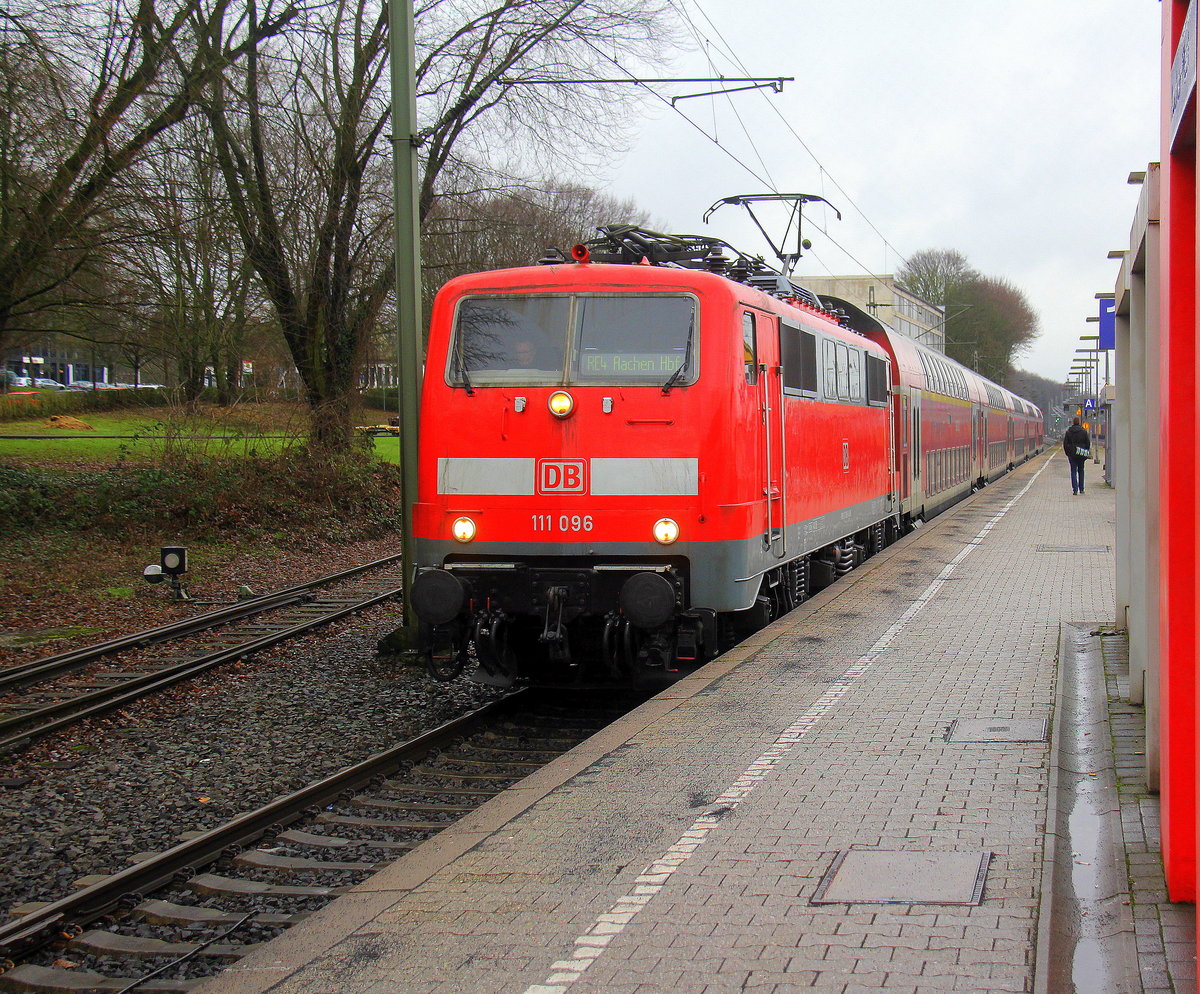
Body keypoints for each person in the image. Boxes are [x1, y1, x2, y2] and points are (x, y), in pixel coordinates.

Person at [1063, 417, 1091, 495]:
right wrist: (1085, 452)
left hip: (1072, 454)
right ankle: (1081, 489)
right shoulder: (1084, 431)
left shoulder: (1069, 432)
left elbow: (1065, 444)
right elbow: (1088, 443)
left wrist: (1068, 453)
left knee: (1073, 471)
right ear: (1079, 422)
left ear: (1073, 422)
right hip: (1081, 454)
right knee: (1081, 471)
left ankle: (1075, 490)